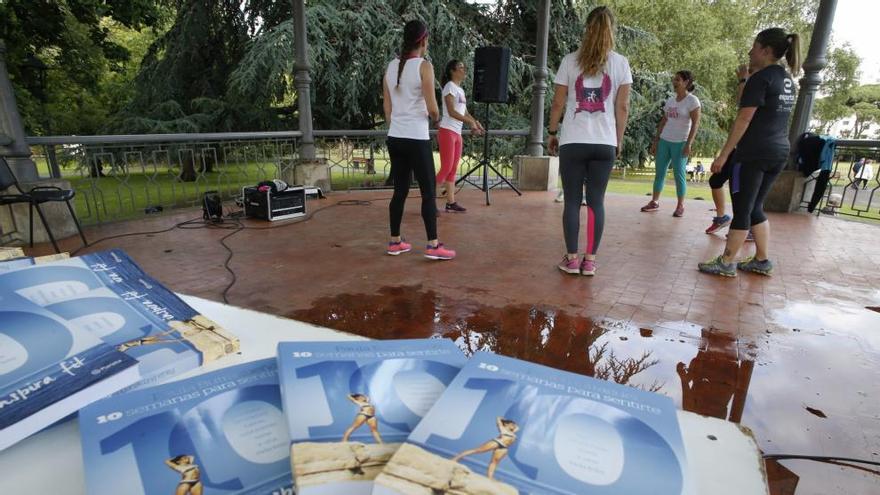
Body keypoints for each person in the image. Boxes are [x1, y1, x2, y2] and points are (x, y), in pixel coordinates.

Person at [699, 28, 800, 277]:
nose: (750, 51)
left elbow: (743, 119)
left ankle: (727, 262)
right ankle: (762, 260)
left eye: (754, 47)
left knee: (743, 207)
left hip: (754, 153)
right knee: (755, 206)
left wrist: (724, 155)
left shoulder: (761, 78)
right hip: (778, 151)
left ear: (765, 50)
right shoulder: (787, 80)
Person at [547, 5, 632, 276]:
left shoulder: (570, 61)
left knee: (572, 201)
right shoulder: (621, 63)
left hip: (573, 140)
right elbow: (623, 107)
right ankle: (590, 261)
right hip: (604, 142)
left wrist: (551, 132)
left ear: (587, 30)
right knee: (596, 201)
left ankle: (571, 259)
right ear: (612, 31)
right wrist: (618, 140)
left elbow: (558, 102)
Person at [383, 19, 455, 260]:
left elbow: (387, 108)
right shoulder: (425, 66)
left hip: (395, 137)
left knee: (400, 191)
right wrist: (434, 119)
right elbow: (434, 108)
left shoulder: (391, 67)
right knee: (428, 192)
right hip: (416, 137)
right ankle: (433, 245)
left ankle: (395, 242)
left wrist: (397, 123)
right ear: (423, 40)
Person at [641, 71, 702, 217]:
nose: (674, 82)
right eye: (674, 79)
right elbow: (664, 121)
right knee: (659, 173)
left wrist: (688, 144)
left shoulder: (693, 101)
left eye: (678, 80)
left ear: (686, 82)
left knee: (679, 174)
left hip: (680, 143)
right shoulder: (670, 101)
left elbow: (695, 124)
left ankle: (680, 205)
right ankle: (654, 202)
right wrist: (656, 141)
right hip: (665, 141)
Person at [437, 59, 484, 213]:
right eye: (461, 67)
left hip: (457, 133)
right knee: (445, 168)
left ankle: (450, 203)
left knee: (452, 170)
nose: (464, 70)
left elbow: (464, 112)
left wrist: (475, 122)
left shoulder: (460, 90)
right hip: (447, 131)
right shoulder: (449, 87)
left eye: (464, 67)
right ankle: (428, 201)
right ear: (452, 70)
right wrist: (470, 123)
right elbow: (451, 112)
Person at [452, 417, 518, 479]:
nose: (514, 426)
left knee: (494, 462)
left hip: (504, 448)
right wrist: (505, 421)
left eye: (514, 425)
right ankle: (455, 459)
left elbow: (518, 428)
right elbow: (498, 418)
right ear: (507, 424)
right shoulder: (503, 428)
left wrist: (511, 423)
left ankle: (490, 477)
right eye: (512, 424)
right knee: (477, 450)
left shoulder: (512, 432)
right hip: (497, 442)